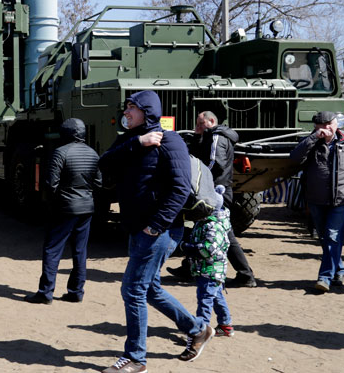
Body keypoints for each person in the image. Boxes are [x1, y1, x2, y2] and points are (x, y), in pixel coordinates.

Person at [98, 91, 213, 373]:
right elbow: (103, 164)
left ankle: (136, 358)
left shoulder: (171, 141)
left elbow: (180, 188)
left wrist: (157, 225)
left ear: (147, 112)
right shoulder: (130, 139)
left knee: (133, 289)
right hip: (137, 228)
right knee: (149, 288)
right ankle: (198, 329)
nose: (126, 112)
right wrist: (137, 142)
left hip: (159, 231)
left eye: (131, 108)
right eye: (125, 107)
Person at [168, 111, 257, 288]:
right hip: (216, 191)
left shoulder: (217, 138)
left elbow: (215, 163)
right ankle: (189, 268)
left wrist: (198, 175)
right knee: (201, 229)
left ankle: (245, 274)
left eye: (200, 124)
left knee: (224, 234)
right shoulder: (215, 137)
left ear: (211, 121)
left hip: (216, 193)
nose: (197, 128)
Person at [24, 118, 101, 304]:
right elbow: (99, 183)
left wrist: (54, 202)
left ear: (65, 133)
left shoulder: (60, 153)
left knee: (52, 249)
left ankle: (46, 292)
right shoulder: (93, 154)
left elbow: (51, 184)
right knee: (80, 250)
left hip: (64, 208)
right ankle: (76, 292)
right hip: (86, 208)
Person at [290, 110, 344, 293]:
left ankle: (325, 278)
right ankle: (339, 269)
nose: (326, 129)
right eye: (321, 126)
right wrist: (314, 138)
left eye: (328, 124)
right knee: (325, 238)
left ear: (335, 123)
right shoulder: (311, 143)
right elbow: (295, 158)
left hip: (341, 199)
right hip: (316, 199)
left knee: (332, 236)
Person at [181, 185, 235, 337]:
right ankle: (226, 325)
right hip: (206, 269)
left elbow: (208, 249)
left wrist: (188, 247)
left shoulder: (214, 226)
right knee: (216, 296)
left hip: (210, 270)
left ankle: (200, 331)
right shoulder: (204, 222)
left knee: (205, 300)